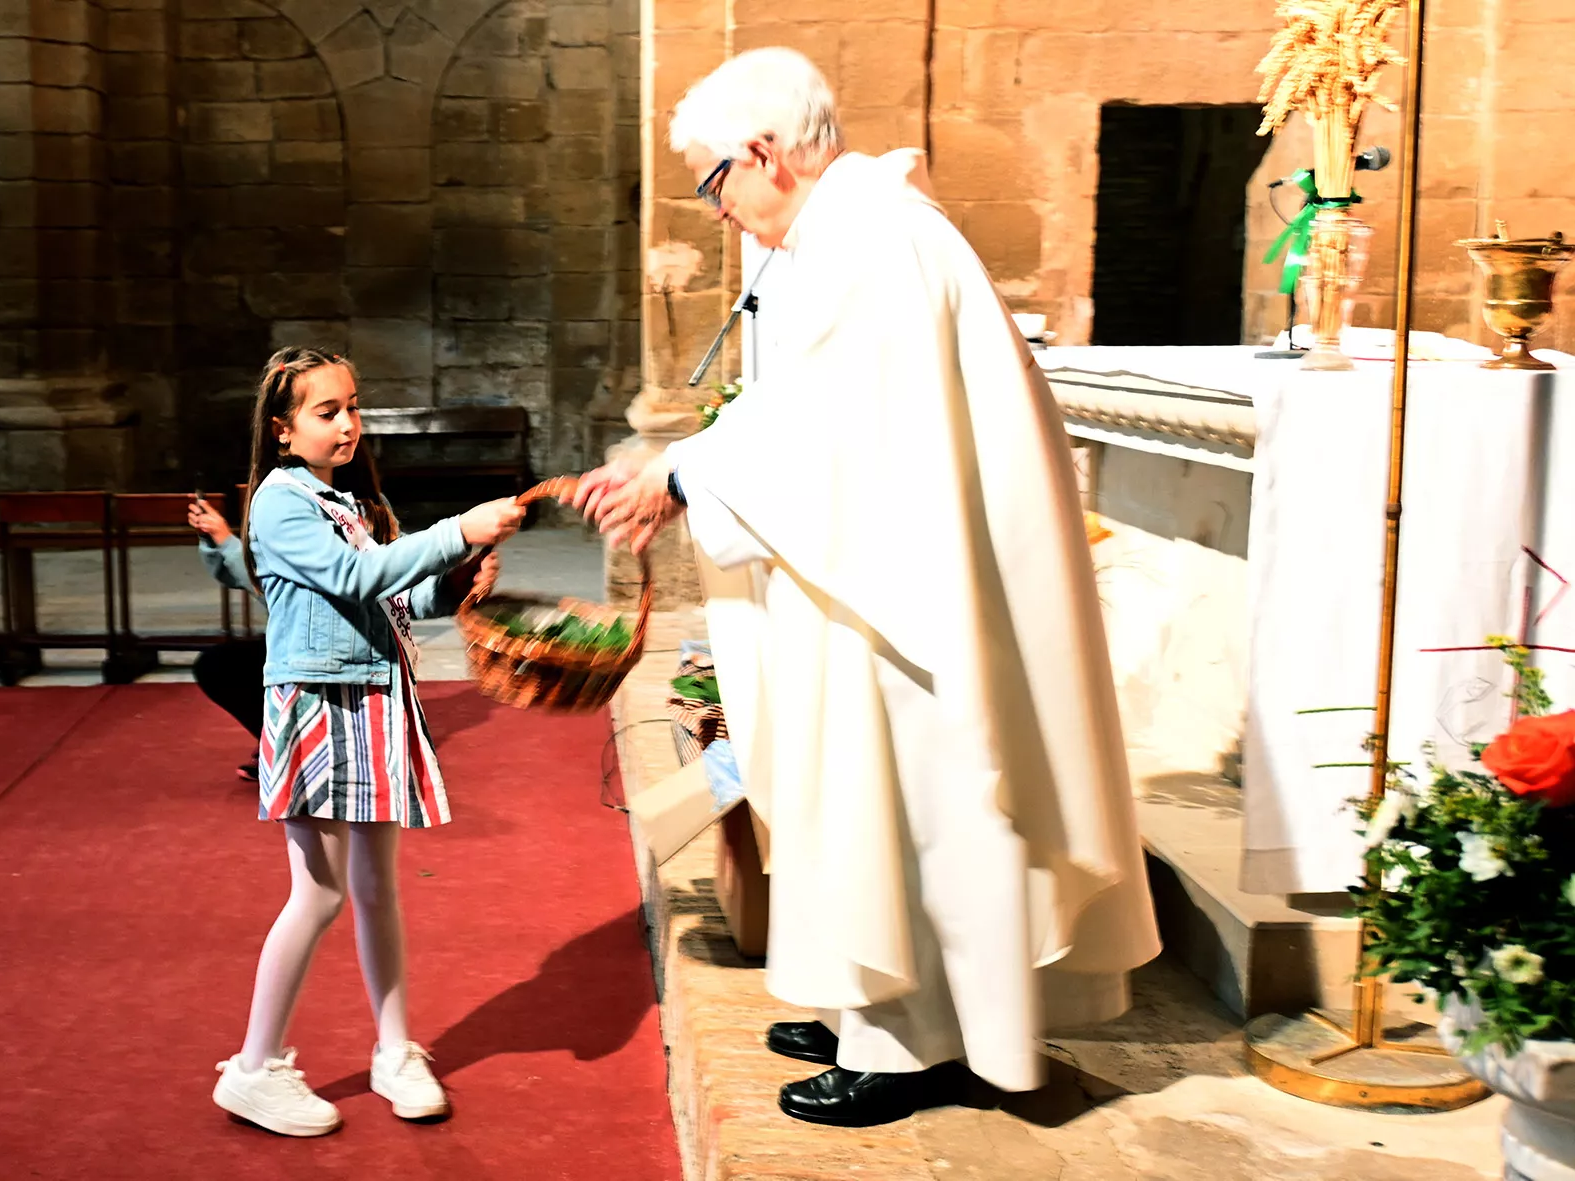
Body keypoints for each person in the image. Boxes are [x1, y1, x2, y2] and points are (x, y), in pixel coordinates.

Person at [575, 48, 1161, 1128]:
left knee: (911, 796)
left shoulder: (873, 239)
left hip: (910, 599)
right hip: (883, 570)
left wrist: (677, 476)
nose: (718, 210)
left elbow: (836, 432)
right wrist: (679, 468)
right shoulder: (852, 231)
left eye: (714, 183)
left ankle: (912, 1041)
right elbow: (809, 407)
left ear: (763, 154)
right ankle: (870, 1008)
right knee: (866, 792)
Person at [211, 346, 522, 1137]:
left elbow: (393, 591)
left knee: (377, 887)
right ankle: (253, 1068)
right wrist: (456, 530)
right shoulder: (280, 503)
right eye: (327, 411)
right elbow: (355, 579)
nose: (349, 423)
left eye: (353, 406)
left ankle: (393, 1050)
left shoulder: (348, 500)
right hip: (319, 704)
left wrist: (455, 578)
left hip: (375, 699)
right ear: (282, 429)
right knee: (318, 893)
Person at [187, 498, 266, 781]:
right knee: (217, 665)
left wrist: (226, 539)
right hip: (293, 639)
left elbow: (271, 587)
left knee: (222, 666)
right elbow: (234, 575)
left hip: (328, 644)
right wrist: (213, 539)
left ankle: (287, 750)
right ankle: (278, 744)